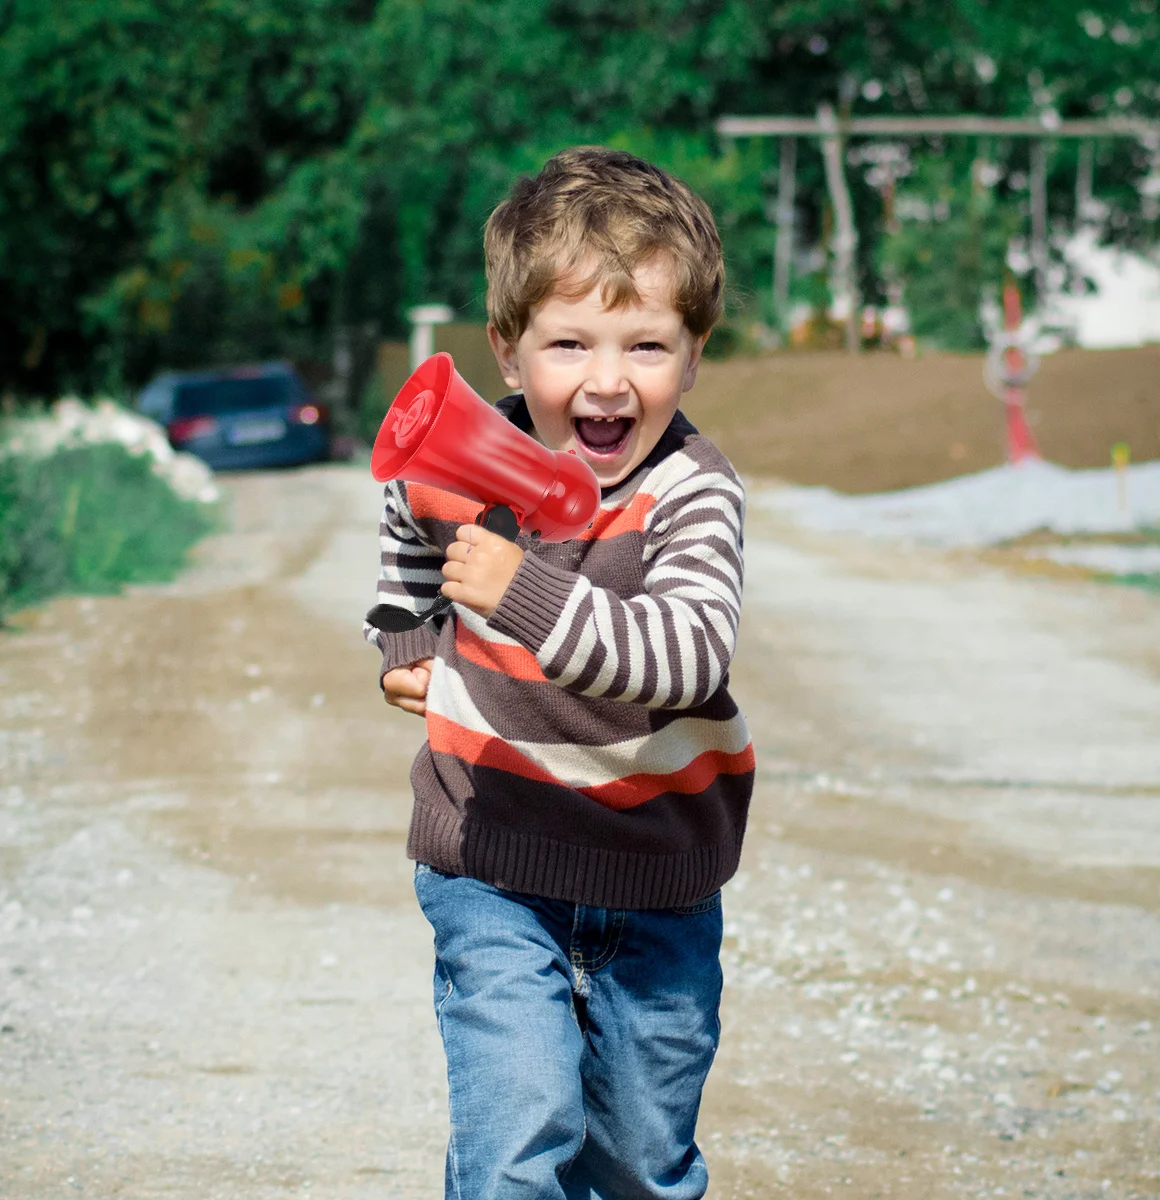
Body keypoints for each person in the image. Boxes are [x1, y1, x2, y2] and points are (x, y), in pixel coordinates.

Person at [365, 146, 755, 1199]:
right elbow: (406, 515)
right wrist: (407, 637)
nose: (608, 380)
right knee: (518, 1139)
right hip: (491, 860)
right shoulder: (469, 453)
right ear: (507, 350)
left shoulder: (692, 494)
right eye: (569, 343)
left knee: (638, 1162)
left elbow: (686, 655)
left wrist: (517, 595)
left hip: (654, 880)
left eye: (647, 345)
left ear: (694, 353)